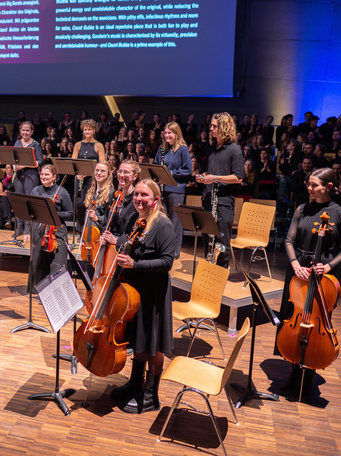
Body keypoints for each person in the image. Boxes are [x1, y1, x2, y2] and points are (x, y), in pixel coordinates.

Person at [98, 179, 175, 413]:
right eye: (137, 195)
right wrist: (113, 241)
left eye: (145, 195)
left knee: (154, 344)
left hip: (154, 291)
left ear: (155, 200)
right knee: (139, 338)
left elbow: (167, 261)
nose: (139, 199)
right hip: (134, 292)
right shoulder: (135, 219)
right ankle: (135, 383)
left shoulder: (163, 225)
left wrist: (135, 264)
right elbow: (126, 241)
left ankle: (152, 395)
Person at [275, 168, 341, 400]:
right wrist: (296, 264)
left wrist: (327, 267)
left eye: (314, 185)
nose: (309, 188)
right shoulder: (301, 209)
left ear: (328, 187)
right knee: (295, 319)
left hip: (322, 273)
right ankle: (293, 370)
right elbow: (289, 240)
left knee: (315, 322)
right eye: (308, 184)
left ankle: (309, 375)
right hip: (299, 272)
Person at [195, 112, 244, 268]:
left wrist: (215, 178)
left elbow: (238, 178)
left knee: (222, 242)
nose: (211, 129)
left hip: (223, 202)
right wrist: (204, 177)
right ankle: (209, 270)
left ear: (224, 127)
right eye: (211, 126)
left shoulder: (234, 150)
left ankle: (220, 275)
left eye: (214, 126)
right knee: (207, 239)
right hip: (209, 198)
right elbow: (210, 172)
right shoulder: (212, 149)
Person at [27, 164, 72, 294]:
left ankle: (57, 293)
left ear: (54, 177)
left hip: (56, 232)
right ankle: (43, 293)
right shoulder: (35, 191)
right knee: (40, 263)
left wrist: (53, 214)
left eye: (47, 174)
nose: (43, 177)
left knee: (57, 264)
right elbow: (30, 212)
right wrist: (27, 232)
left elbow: (70, 213)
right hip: (39, 231)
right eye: (42, 174)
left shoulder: (61, 192)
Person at [155, 121, 192, 258]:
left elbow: (188, 169)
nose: (167, 135)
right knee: (162, 220)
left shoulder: (182, 149)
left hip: (176, 189)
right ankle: (162, 248)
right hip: (162, 189)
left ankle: (175, 252)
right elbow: (156, 165)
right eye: (165, 133)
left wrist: (170, 173)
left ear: (176, 134)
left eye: (170, 133)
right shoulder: (162, 149)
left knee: (176, 222)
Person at [13, 121, 46, 242]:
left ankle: (28, 229)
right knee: (19, 202)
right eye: (23, 130)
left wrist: (23, 165)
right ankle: (19, 227)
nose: (25, 132)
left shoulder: (35, 144)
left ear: (32, 131)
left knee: (28, 202)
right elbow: (14, 158)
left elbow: (40, 161)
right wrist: (13, 166)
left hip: (30, 176)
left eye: (28, 130)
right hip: (19, 176)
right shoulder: (17, 142)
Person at [80, 161, 115, 273]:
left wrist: (97, 218)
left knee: (97, 270)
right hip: (89, 238)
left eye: (103, 171)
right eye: (97, 170)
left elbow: (110, 220)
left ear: (108, 174)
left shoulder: (110, 193)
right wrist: (83, 237)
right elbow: (86, 218)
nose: (99, 173)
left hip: (100, 237)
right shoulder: (91, 191)